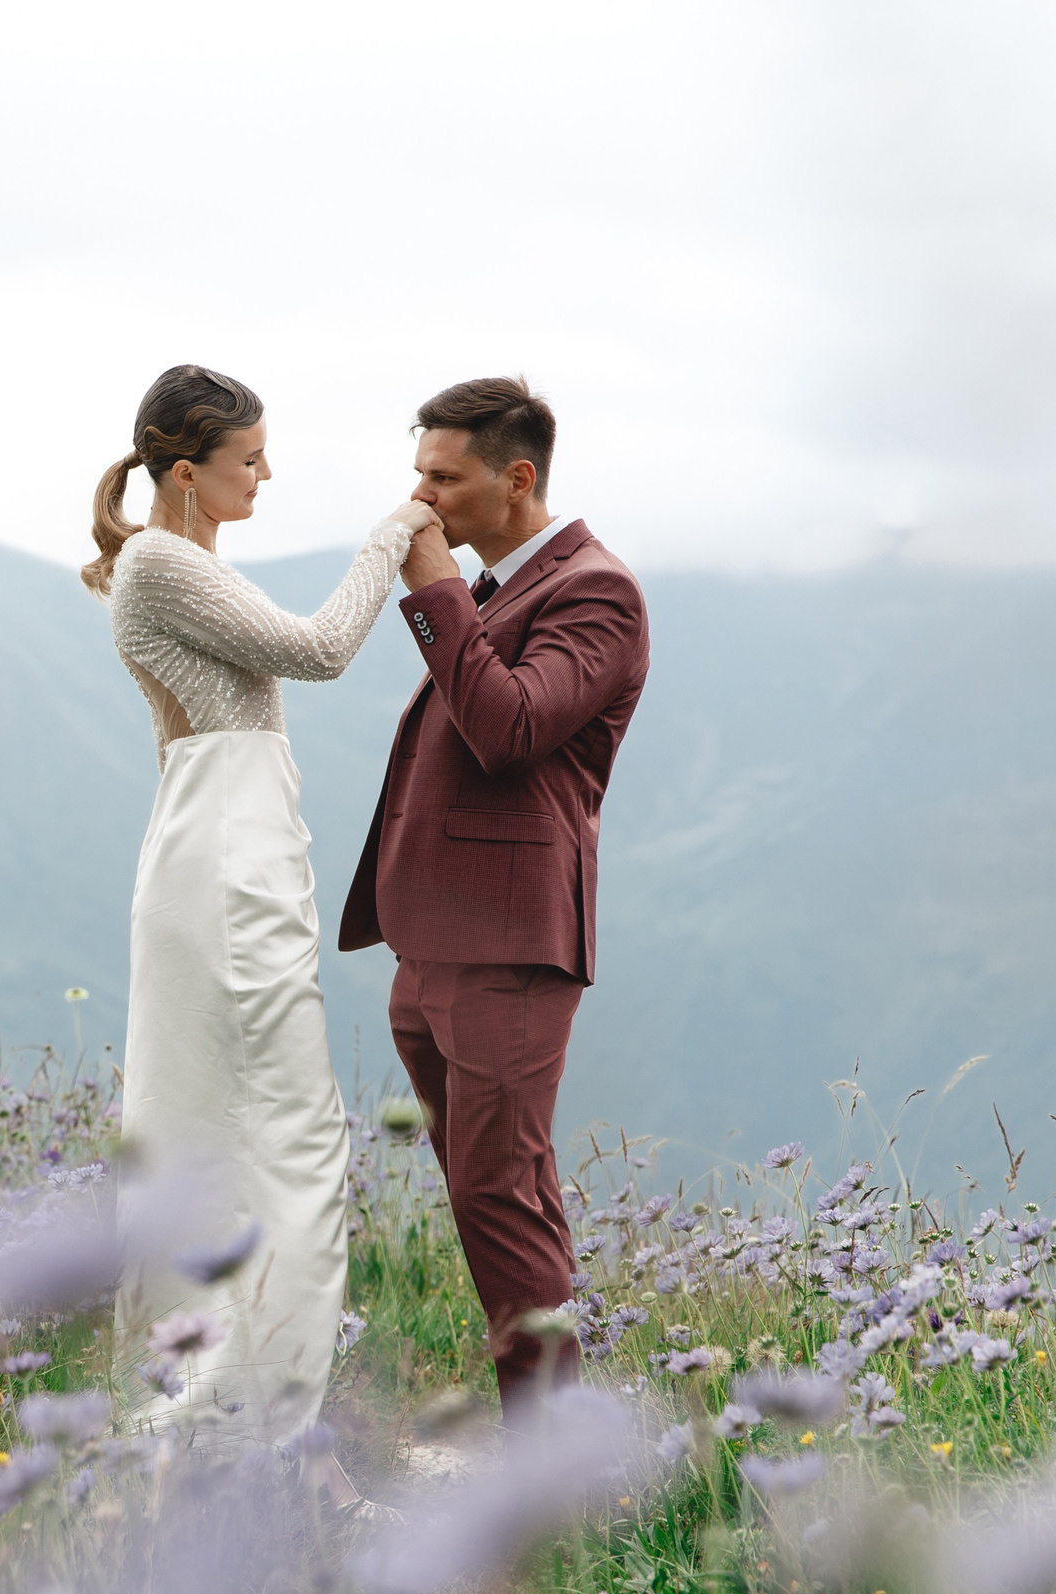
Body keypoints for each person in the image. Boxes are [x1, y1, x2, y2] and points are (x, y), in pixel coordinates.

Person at [84, 363, 432, 1505]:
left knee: (240, 1138)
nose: (267, 475)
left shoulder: (175, 560)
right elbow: (325, 648)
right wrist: (396, 533)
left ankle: (239, 1413)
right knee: (284, 1147)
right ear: (186, 474)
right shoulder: (162, 561)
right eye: (249, 460)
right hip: (227, 863)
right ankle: (250, 1424)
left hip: (224, 847)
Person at [337, 376, 651, 1428]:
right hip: (433, 946)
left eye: (441, 477)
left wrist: (435, 594)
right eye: (416, 474)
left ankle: (546, 1459)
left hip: (511, 945)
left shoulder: (596, 592)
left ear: (515, 480)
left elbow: (509, 728)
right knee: (494, 1193)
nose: (418, 499)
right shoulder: (503, 586)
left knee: (494, 1193)